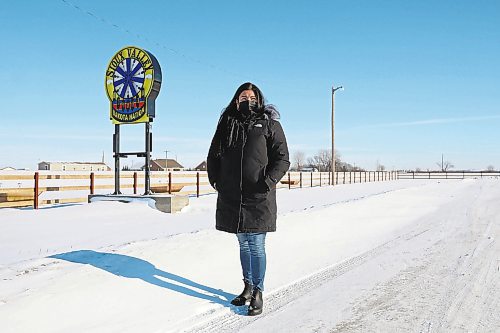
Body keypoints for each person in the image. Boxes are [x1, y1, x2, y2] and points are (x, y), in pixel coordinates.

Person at [207, 82, 290, 316]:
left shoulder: (269, 124)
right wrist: (216, 182)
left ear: (259, 100)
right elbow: (213, 156)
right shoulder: (227, 125)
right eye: (243, 97)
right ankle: (247, 287)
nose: (247, 100)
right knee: (243, 243)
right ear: (236, 100)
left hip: (258, 196)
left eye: (252, 97)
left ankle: (258, 292)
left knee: (256, 245)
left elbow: (282, 159)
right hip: (232, 196)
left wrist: (267, 182)